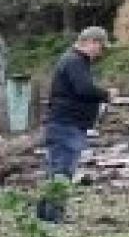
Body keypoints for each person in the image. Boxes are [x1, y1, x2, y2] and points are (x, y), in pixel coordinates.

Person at [36, 26, 117, 224]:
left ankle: (44, 216)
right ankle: (53, 218)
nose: (100, 52)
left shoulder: (73, 60)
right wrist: (106, 95)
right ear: (90, 42)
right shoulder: (75, 61)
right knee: (62, 172)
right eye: (100, 46)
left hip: (65, 125)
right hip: (66, 126)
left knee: (54, 171)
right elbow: (83, 89)